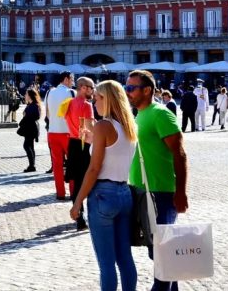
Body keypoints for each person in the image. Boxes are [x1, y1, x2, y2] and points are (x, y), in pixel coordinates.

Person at [71, 80, 138, 291]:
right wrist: (93, 141)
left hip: (103, 195)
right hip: (124, 192)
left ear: (107, 100)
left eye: (97, 97)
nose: (94, 101)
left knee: (106, 262)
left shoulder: (103, 125)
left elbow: (93, 169)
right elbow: (114, 151)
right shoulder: (129, 125)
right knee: (124, 257)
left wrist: (77, 202)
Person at [125, 70, 188, 291]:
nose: (128, 92)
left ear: (147, 90)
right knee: (160, 253)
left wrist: (180, 192)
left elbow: (179, 154)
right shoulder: (139, 114)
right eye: (127, 87)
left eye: (132, 88)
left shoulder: (161, 114)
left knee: (162, 253)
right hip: (142, 192)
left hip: (160, 192)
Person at [65, 77, 95, 231]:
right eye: (91, 87)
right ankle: (91, 215)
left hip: (72, 143)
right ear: (83, 88)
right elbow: (89, 128)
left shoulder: (68, 103)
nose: (92, 90)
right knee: (89, 179)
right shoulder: (87, 105)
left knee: (76, 182)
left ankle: (79, 216)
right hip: (84, 144)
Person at [44, 72, 75, 199]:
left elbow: (47, 114)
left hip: (52, 132)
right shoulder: (71, 93)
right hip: (68, 133)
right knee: (72, 164)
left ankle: (60, 192)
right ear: (66, 79)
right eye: (72, 79)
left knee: (57, 164)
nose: (73, 82)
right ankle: (73, 191)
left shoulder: (49, 92)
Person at [18, 89, 41, 172]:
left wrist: (27, 116)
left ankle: (32, 165)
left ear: (30, 95)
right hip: (28, 127)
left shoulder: (35, 105)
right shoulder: (30, 104)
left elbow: (37, 116)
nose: (25, 95)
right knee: (30, 146)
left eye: (26, 94)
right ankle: (32, 165)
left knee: (26, 146)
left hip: (31, 128)